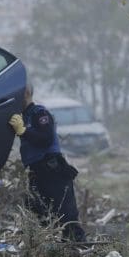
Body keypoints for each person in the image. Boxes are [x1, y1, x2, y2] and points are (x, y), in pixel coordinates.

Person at [9, 82, 87, 242]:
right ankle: (47, 253)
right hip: (36, 173)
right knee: (38, 214)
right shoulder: (21, 117)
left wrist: (23, 131)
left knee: (67, 217)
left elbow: (46, 139)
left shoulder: (39, 113)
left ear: (26, 93)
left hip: (52, 170)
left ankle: (80, 251)